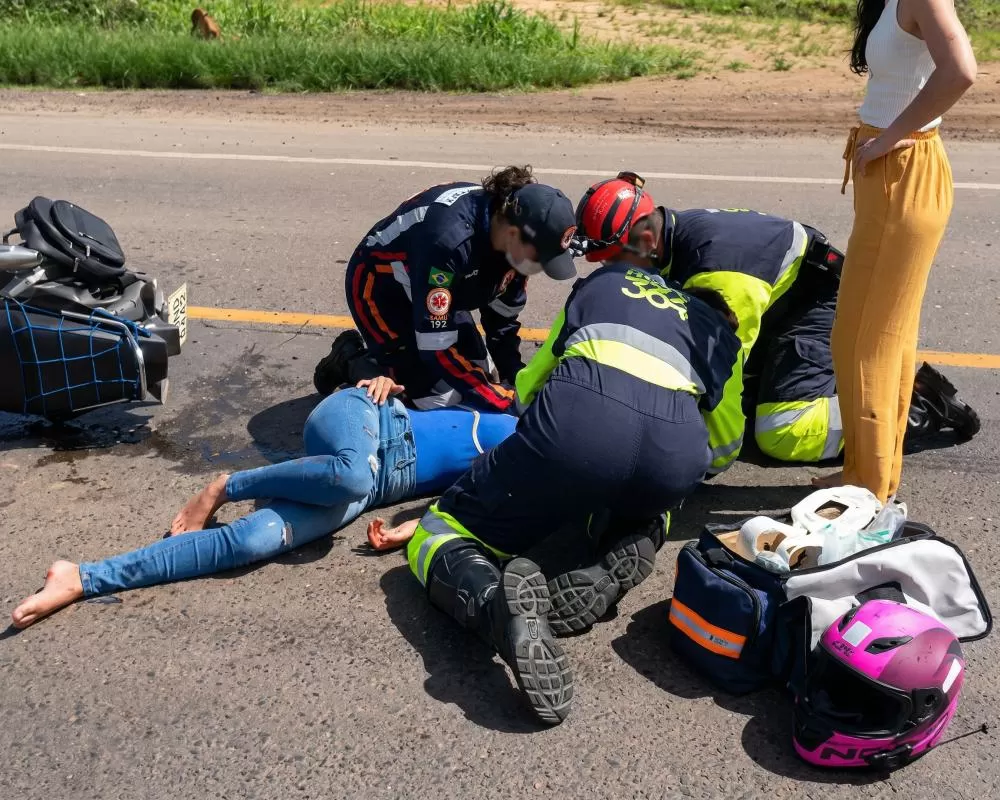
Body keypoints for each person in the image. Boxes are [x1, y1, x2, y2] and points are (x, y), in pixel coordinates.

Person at [403, 262, 745, 725]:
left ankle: (493, 610)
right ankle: (626, 540)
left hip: (575, 429)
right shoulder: (720, 338)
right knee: (658, 494)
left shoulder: (607, 282)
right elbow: (723, 450)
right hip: (670, 456)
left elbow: (529, 389)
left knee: (438, 531)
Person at [11, 376, 517, 630]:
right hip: (365, 417)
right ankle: (225, 486)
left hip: (366, 488)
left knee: (254, 540)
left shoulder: (526, 474)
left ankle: (83, 577)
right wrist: (379, 375)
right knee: (349, 473)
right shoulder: (521, 429)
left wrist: (412, 529)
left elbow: (463, 502)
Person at [574, 171, 979, 466]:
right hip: (785, 303)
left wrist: (707, 457)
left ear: (644, 239)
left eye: (612, 259)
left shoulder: (720, 274)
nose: (611, 269)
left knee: (780, 431)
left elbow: (723, 367)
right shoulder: (671, 236)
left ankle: (907, 407)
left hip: (823, 305)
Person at [829, 0, 978, 501]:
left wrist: (890, 136)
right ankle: (864, 473)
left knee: (871, 342)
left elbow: (960, 71)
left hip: (905, 170)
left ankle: (867, 491)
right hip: (886, 172)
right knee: (865, 337)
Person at [312, 165, 578, 413]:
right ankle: (351, 360)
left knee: (487, 376)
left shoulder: (514, 239)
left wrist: (519, 383)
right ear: (513, 234)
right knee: (436, 400)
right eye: (539, 257)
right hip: (382, 289)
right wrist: (506, 402)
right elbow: (436, 349)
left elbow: (502, 323)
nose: (538, 267)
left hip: (440, 285)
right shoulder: (448, 241)